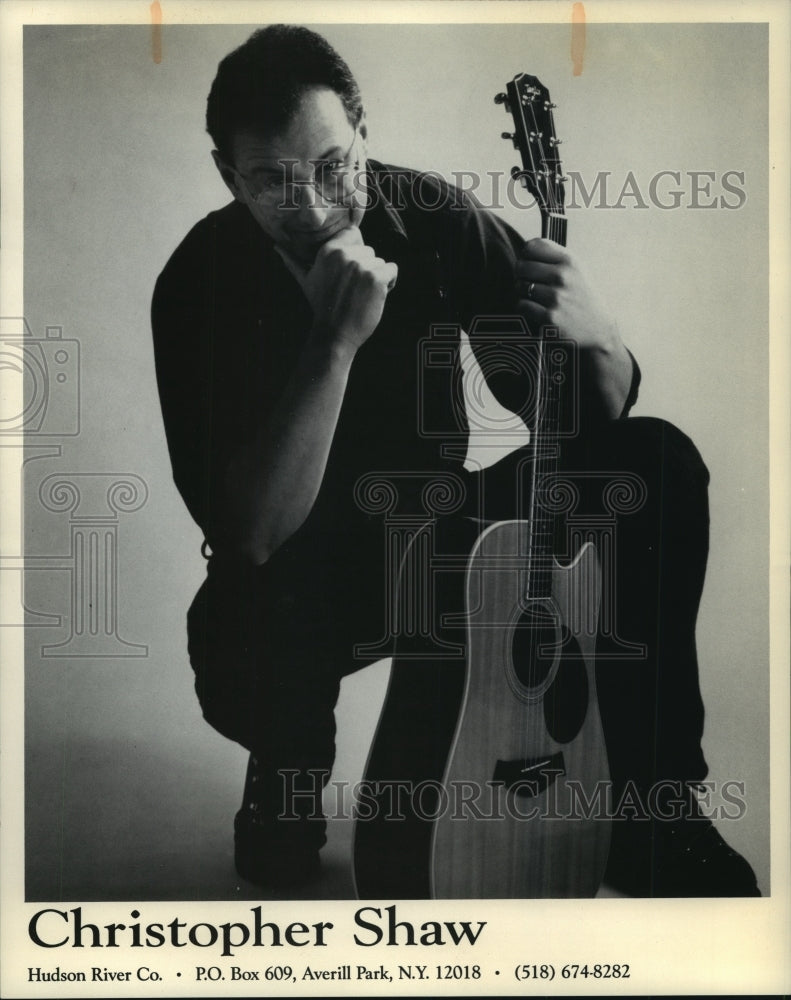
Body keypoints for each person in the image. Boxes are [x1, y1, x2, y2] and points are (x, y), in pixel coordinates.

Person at [151, 24, 760, 896]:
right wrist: (334, 342)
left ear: (364, 132)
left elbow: (573, 423)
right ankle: (284, 778)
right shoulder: (197, 281)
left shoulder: (428, 217)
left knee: (651, 461)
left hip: (440, 536)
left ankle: (651, 806)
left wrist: (599, 338)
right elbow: (250, 534)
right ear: (227, 176)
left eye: (334, 167)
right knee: (249, 628)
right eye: (273, 183)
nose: (316, 208)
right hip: (302, 579)